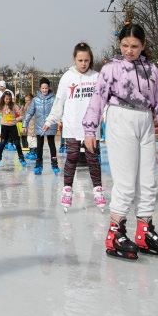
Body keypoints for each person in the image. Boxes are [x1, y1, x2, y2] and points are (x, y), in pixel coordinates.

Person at [83, 23, 158, 261]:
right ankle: (115, 233)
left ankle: (144, 232)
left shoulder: (152, 70)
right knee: (125, 183)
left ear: (143, 46)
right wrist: (90, 129)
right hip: (120, 118)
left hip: (144, 120)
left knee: (148, 182)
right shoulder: (111, 69)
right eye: (125, 45)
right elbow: (97, 100)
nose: (129, 50)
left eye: (134, 46)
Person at [47, 42, 105, 210]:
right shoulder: (67, 77)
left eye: (86, 60)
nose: (83, 64)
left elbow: (104, 101)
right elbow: (59, 102)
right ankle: (67, 190)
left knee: (93, 159)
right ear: (74, 59)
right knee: (71, 158)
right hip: (72, 125)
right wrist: (50, 120)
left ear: (90, 60)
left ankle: (98, 189)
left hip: (91, 127)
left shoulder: (96, 77)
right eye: (80, 60)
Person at [23, 77, 59, 175]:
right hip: (39, 126)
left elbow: (58, 111)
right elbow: (29, 113)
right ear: (40, 88)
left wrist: (60, 121)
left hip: (51, 125)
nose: (44, 90)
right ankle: (38, 165)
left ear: (49, 88)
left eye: (46, 88)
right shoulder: (35, 100)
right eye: (42, 88)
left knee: (52, 145)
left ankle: (54, 164)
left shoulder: (53, 99)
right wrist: (24, 125)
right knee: (39, 146)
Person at [0, 91, 25, 168]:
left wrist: (17, 119)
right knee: (2, 143)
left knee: (17, 143)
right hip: (4, 126)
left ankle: (21, 158)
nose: (7, 100)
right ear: (3, 98)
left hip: (12, 126)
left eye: (9, 99)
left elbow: (22, 115)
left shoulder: (14, 105)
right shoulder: (1, 105)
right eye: (6, 99)